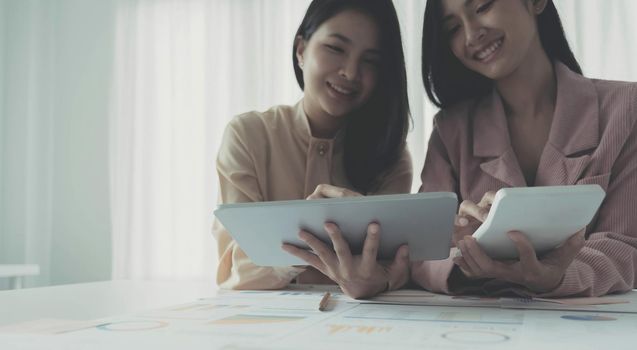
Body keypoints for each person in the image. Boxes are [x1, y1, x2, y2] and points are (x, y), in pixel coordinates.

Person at [411, 0, 637, 297]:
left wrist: (558, 275)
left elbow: (625, 244)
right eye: (452, 28)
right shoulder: (450, 131)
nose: (470, 35)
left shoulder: (625, 110)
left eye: (482, 6)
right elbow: (420, 250)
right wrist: (461, 253)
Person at [213, 0, 412, 295]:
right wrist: (309, 232)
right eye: (336, 48)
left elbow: (395, 266)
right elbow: (233, 270)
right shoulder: (248, 136)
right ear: (301, 49)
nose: (351, 72)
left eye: (370, 60)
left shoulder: (391, 156)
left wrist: (377, 278)